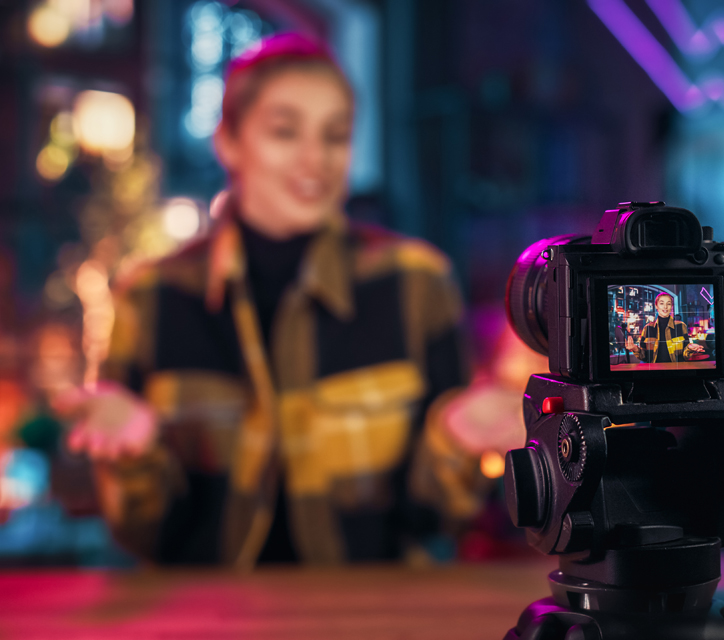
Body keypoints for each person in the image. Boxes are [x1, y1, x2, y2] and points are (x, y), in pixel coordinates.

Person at [56, 33, 515, 567]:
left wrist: (456, 444)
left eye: (336, 136)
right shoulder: (150, 297)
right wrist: (134, 458)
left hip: (375, 618)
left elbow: (435, 526)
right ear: (227, 140)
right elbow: (147, 539)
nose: (314, 159)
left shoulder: (418, 281)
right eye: (284, 131)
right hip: (204, 621)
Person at [631, 293, 704, 364]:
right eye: (662, 303)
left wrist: (690, 349)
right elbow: (644, 357)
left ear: (671, 306)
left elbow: (685, 355)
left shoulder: (681, 326)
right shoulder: (647, 328)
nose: (665, 307)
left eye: (668, 304)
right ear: (656, 306)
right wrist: (635, 349)